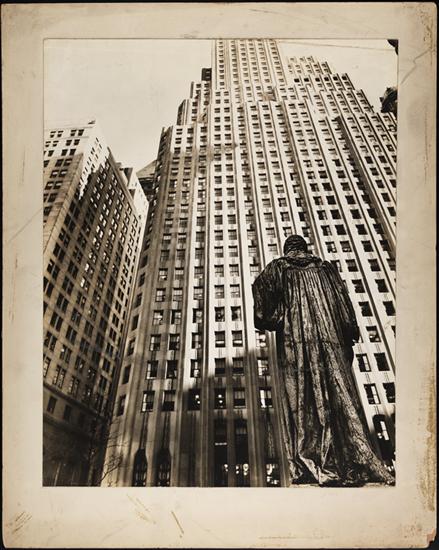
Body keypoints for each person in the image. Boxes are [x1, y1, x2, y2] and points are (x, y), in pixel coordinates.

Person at [252, 234, 394, 486]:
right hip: (331, 342)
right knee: (340, 397)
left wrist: (279, 317)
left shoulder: (277, 268)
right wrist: (348, 333)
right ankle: (350, 462)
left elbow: (263, 310)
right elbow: (345, 306)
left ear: (287, 249)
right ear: (304, 248)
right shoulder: (326, 268)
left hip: (295, 343)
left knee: (302, 398)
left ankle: (314, 464)